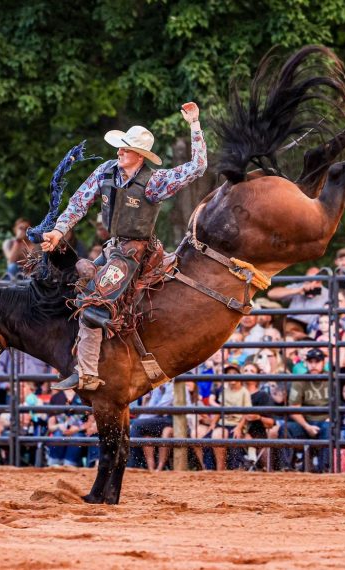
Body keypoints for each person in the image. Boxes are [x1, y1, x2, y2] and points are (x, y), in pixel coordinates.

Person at [43, 102, 207, 391]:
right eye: (121, 147)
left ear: (140, 157)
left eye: (126, 148)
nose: (119, 151)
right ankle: (90, 362)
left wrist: (194, 125)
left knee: (94, 303)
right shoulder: (106, 172)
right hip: (113, 248)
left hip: (135, 251)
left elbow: (197, 167)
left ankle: (88, 372)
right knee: (74, 280)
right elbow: (79, 202)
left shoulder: (154, 182)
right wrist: (58, 231)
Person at [281, 348, 330, 472]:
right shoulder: (300, 380)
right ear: (306, 363)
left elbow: (338, 403)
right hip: (304, 422)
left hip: (325, 421)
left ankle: (324, 469)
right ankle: (287, 467)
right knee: (285, 429)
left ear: (324, 362)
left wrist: (331, 418)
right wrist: (307, 426)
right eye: (311, 362)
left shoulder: (332, 379)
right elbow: (294, 408)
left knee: (329, 429)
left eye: (317, 362)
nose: (313, 365)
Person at [128, 382, 174, 471]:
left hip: (169, 418)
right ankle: (147, 466)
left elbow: (161, 408)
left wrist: (141, 421)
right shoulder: (158, 388)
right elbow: (152, 407)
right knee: (138, 428)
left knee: (136, 425)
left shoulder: (171, 386)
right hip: (157, 419)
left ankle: (133, 464)